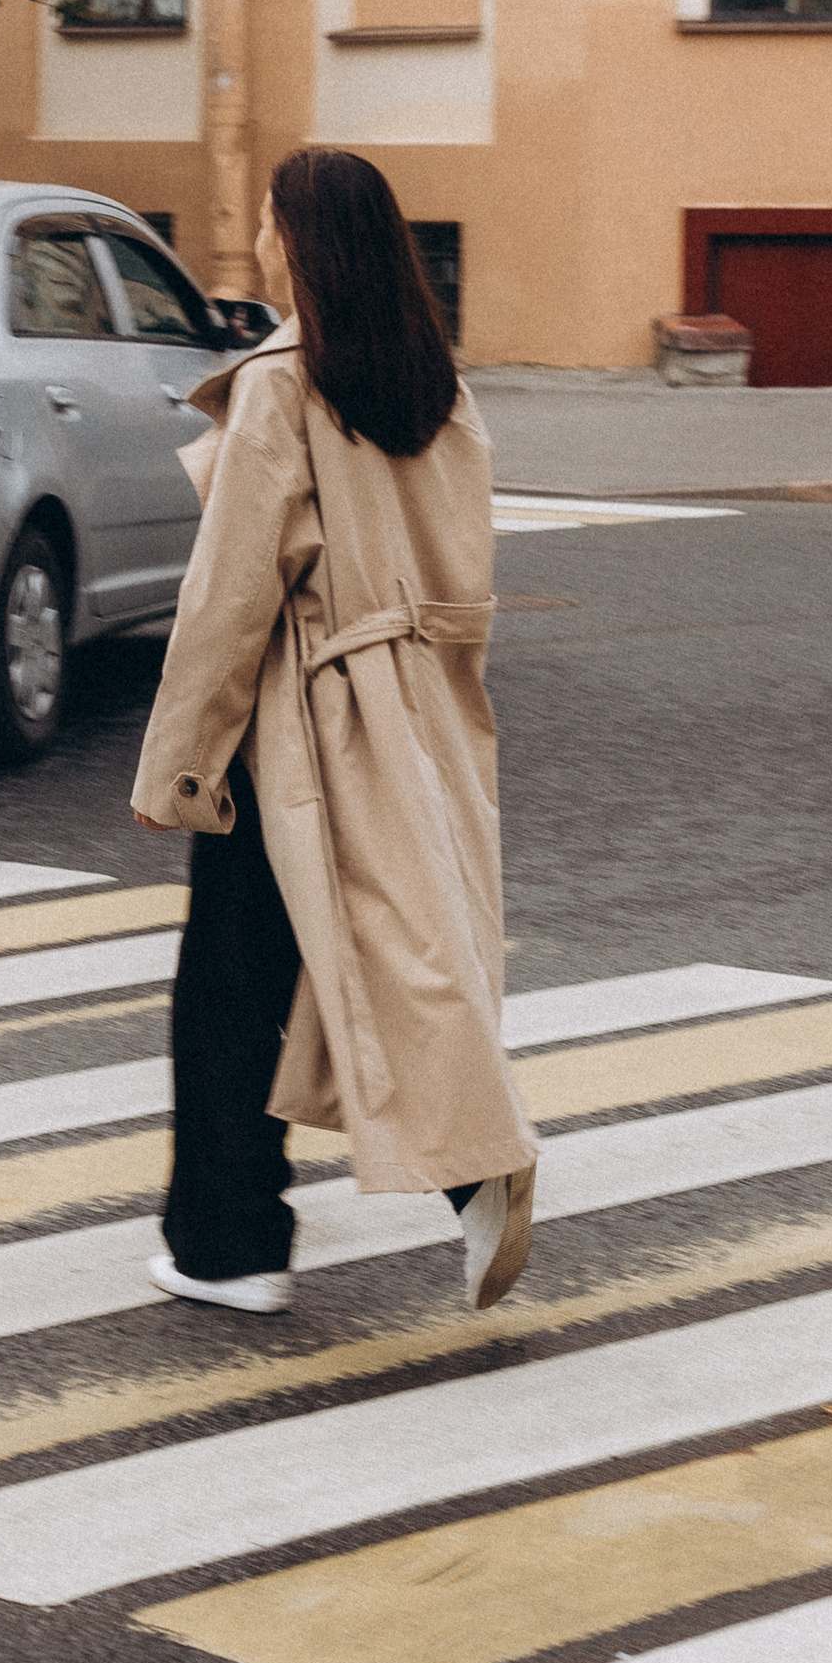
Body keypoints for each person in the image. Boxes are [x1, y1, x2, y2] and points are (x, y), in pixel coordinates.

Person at [131, 146, 536, 1319]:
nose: (258, 240)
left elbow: (230, 595)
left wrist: (182, 766)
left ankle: (230, 1244)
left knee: (230, 982)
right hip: (421, 705)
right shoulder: (434, 383)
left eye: (267, 220)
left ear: (297, 241)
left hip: (302, 723)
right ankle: (468, 1170)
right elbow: (461, 564)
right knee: (405, 939)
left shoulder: (282, 381)